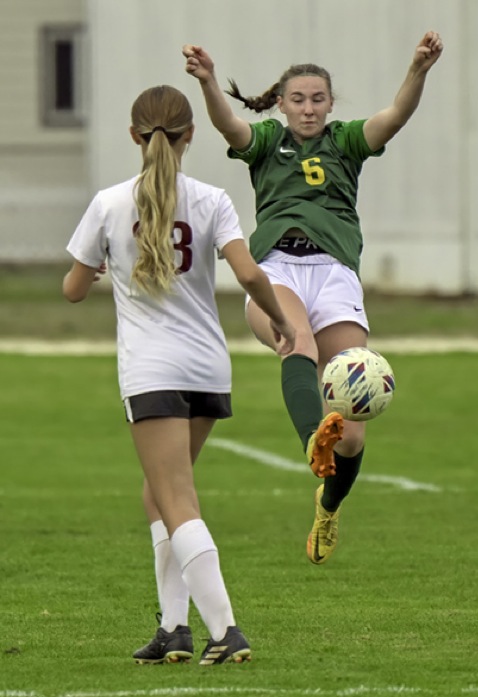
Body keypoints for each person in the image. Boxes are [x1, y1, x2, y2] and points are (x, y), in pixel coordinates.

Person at [182, 31, 443, 565]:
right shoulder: (266, 142)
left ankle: (328, 505)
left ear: (330, 104)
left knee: (352, 433)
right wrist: (208, 81)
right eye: (298, 99)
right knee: (296, 339)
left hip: (335, 274)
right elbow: (229, 126)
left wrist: (418, 70)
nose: (307, 108)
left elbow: (395, 116)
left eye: (317, 99)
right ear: (281, 103)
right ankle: (311, 440)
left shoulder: (344, 141)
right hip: (277, 268)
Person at [62, 84, 295, 665]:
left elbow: (72, 290)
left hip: (153, 369)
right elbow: (249, 274)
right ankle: (173, 629)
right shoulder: (213, 199)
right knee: (158, 493)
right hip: (208, 366)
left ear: (134, 136)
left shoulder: (110, 202)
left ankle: (226, 629)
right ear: (190, 135)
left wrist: (98, 268)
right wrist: (280, 319)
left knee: (176, 496)